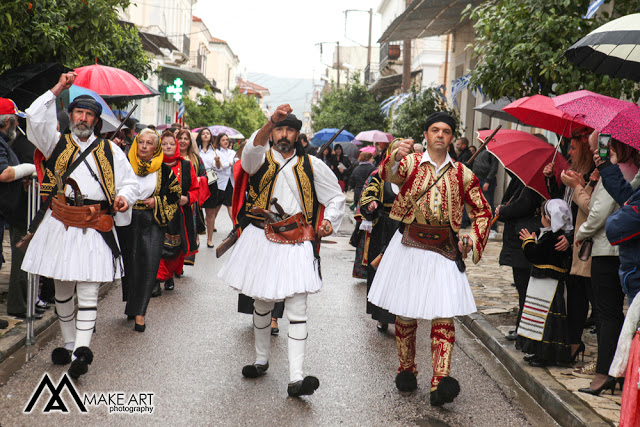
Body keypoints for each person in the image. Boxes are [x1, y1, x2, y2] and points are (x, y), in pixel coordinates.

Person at [218, 104, 345, 397]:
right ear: (272, 133)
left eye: (289, 129)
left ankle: (296, 378)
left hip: (299, 238)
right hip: (261, 237)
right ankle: (261, 359)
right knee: (262, 302)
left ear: (298, 134)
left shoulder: (312, 165)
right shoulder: (259, 157)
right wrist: (268, 122)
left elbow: (336, 197)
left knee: (298, 308)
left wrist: (328, 221)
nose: (284, 134)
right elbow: (248, 156)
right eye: (279, 129)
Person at [367, 112, 492, 406]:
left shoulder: (463, 174)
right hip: (409, 243)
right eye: (434, 129)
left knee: (444, 313)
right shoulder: (410, 163)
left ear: (451, 138)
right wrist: (393, 155)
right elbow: (388, 175)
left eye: (446, 131)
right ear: (426, 134)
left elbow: (483, 212)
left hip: (445, 248)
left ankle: (440, 381)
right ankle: (407, 369)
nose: (440, 135)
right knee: (405, 312)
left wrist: (472, 239)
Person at [22, 72, 138, 379]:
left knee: (88, 290)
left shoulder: (111, 151)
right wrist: (59, 88)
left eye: (89, 114)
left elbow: (130, 183)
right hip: (60, 223)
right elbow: (33, 117)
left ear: (96, 120)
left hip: (94, 225)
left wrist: (125, 197)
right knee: (62, 289)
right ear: (70, 115)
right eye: (78, 112)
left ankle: (81, 352)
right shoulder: (55, 144)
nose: (83, 118)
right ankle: (70, 344)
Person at [544, 127, 596, 376]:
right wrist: (549, 179)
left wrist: (579, 185)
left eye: (574, 148)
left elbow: (585, 211)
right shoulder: (573, 175)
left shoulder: (589, 177)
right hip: (572, 244)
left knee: (583, 297)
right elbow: (562, 208)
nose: (570, 152)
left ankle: (576, 343)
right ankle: (571, 341)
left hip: (582, 245)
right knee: (573, 295)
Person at [117, 129, 180, 332]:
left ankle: (140, 312)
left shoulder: (164, 171)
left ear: (156, 147)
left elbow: (175, 195)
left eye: (149, 143)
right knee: (129, 265)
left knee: (149, 266)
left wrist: (157, 201)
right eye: (141, 142)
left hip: (152, 221)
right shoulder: (125, 167)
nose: (144, 146)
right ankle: (131, 305)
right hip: (127, 219)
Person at [516, 199, 573, 367]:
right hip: (547, 285)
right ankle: (538, 351)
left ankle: (545, 354)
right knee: (539, 318)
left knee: (545, 319)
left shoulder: (551, 238)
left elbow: (536, 255)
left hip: (547, 286)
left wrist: (528, 242)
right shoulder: (556, 235)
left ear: (548, 218)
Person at [359, 140, 406, 332]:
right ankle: (382, 316)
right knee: (382, 272)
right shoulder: (378, 175)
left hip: (406, 228)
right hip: (384, 228)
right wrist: (370, 203)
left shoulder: (413, 176)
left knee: (403, 274)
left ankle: (403, 315)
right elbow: (367, 194)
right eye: (397, 154)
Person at [0, 98, 40, 319]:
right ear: (8, 121)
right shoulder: (7, 143)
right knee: (19, 259)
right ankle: (18, 306)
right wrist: (27, 169)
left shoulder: (9, 141)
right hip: (13, 211)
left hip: (11, 209)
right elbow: (4, 173)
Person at [496, 173, 544, 342]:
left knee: (525, 287)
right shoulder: (522, 180)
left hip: (523, 240)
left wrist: (503, 210)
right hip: (518, 241)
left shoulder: (532, 184)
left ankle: (524, 330)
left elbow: (523, 205)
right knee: (522, 286)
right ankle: (522, 328)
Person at [155, 131, 199, 294]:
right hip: (158, 213)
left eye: (171, 144)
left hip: (180, 215)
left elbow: (196, 189)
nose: (168, 147)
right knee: (157, 246)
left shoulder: (186, 166)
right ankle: (157, 279)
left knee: (176, 248)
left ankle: (169, 275)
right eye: (165, 143)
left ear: (176, 147)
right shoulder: (154, 164)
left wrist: (187, 198)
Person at [177, 129, 205, 267]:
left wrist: (199, 179)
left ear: (190, 142)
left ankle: (182, 262)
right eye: (180, 138)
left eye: (185, 138)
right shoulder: (170, 157)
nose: (182, 141)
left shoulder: (196, 158)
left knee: (188, 231)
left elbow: (207, 176)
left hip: (190, 202)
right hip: (172, 200)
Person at [197, 128, 218, 246]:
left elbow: (219, 168)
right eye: (203, 133)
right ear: (200, 136)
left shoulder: (214, 151)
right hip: (199, 179)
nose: (205, 135)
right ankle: (197, 237)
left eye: (208, 133)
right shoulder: (195, 150)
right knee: (198, 211)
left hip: (211, 181)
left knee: (210, 212)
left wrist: (218, 161)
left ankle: (210, 239)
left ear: (210, 136)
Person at [210, 133, 236, 231]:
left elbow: (235, 163)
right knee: (217, 205)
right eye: (223, 140)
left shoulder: (232, 152)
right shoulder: (216, 152)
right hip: (220, 182)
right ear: (219, 142)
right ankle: (211, 222)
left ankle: (235, 224)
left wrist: (229, 164)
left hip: (230, 180)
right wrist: (227, 163)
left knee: (230, 204)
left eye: (226, 140)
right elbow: (218, 168)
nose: (225, 142)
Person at [472, 145, 499, 234]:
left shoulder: (491, 150)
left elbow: (494, 167)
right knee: (480, 205)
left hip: (486, 181)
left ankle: (493, 227)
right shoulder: (480, 149)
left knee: (489, 204)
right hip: (479, 179)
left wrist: (488, 181)